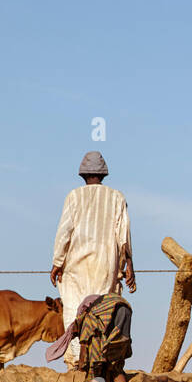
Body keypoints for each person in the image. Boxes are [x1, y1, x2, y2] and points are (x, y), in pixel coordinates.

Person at [50, 151, 135, 369]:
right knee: (103, 309)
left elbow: (64, 232)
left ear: (83, 175)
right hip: (106, 264)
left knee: (74, 309)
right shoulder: (117, 197)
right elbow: (123, 234)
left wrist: (57, 261)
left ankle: (76, 362)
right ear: (103, 175)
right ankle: (100, 360)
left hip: (76, 265)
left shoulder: (74, 196)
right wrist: (129, 264)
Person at [46, 294, 137, 382]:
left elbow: (85, 345)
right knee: (116, 366)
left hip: (111, 311)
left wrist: (82, 362)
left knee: (94, 369)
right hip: (125, 308)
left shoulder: (86, 316)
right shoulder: (97, 304)